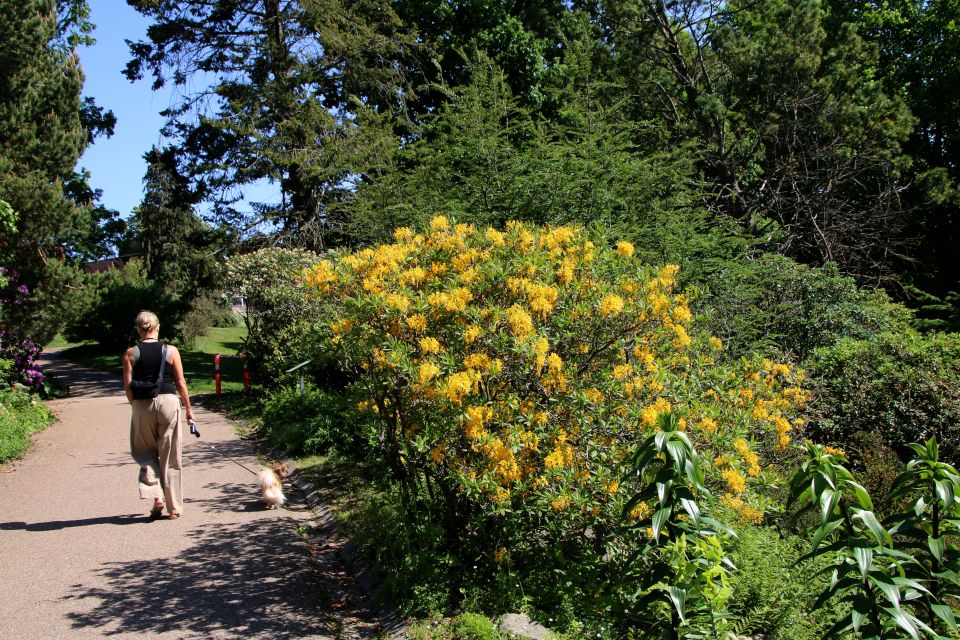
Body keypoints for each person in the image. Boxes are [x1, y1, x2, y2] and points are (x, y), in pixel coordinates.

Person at [122, 311, 195, 520]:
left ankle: (156, 496)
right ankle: (175, 509)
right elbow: (180, 383)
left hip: (142, 403)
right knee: (171, 454)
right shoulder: (171, 351)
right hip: (169, 403)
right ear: (158, 327)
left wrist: (135, 406)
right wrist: (188, 409)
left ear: (139, 330)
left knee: (145, 453)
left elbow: (128, 387)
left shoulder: (130, 353)